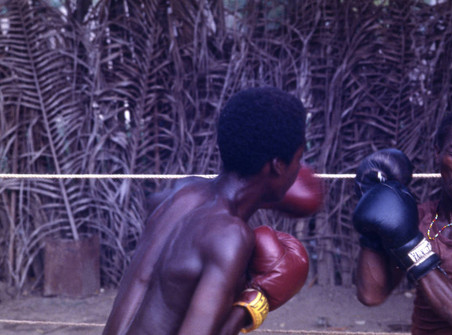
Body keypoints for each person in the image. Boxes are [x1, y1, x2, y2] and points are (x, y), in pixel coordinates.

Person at [103, 86, 322, 335]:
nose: (301, 168)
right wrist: (257, 302)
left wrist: (268, 194)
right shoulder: (230, 236)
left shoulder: (181, 192)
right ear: (278, 166)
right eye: (298, 158)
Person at [353, 105, 452, 334]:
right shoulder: (419, 217)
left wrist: (411, 243)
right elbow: (371, 295)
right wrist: (372, 227)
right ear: (437, 153)